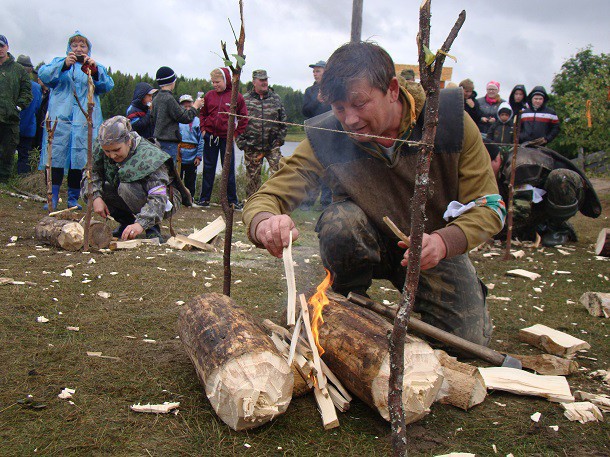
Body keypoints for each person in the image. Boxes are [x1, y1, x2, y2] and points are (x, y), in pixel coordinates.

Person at [243, 42, 506, 345]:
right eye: (339, 108)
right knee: (341, 221)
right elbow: (269, 196)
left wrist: (445, 243)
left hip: (432, 247)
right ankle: (345, 306)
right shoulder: (329, 135)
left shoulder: (447, 122)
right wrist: (264, 222)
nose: (350, 119)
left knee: (466, 341)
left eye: (360, 104)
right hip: (365, 241)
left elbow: (491, 206)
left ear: (392, 89)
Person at [82, 116, 191, 241]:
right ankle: (126, 223)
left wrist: (141, 223)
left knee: (126, 187)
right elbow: (91, 173)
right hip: (127, 189)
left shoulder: (150, 156)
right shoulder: (101, 148)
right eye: (107, 151)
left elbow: (158, 196)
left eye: (117, 150)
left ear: (128, 141)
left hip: (165, 199)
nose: (112, 155)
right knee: (105, 189)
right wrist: (96, 197)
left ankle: (151, 226)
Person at [37, 31, 114, 210]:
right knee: (55, 156)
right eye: (75, 46)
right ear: (69, 48)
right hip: (60, 119)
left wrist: (94, 71)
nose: (78, 49)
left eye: (82, 46)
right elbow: (45, 76)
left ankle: (73, 198)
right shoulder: (58, 62)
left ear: (88, 49)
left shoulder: (95, 66)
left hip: (84, 121)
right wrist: (64, 65)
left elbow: (107, 85)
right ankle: (52, 196)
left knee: (79, 160)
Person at [487, 142, 600, 247]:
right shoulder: (500, 167)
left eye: (486, 165)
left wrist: (493, 233)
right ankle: (544, 226)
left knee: (560, 178)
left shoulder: (518, 165)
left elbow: (520, 211)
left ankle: (558, 228)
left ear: (496, 159)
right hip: (541, 200)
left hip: (568, 190)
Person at [197, 67, 248, 209]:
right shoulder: (209, 96)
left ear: (225, 80)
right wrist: (203, 130)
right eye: (213, 82)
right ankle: (204, 199)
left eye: (217, 82)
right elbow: (203, 114)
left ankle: (232, 201)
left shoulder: (236, 97)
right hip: (210, 137)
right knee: (208, 168)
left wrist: (235, 134)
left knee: (228, 169)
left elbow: (244, 118)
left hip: (226, 139)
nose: (215, 85)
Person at [237, 69, 287, 198]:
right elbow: (236, 122)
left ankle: (276, 201)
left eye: (266, 79)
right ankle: (251, 205)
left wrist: (279, 140)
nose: (265, 82)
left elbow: (283, 120)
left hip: (272, 146)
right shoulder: (245, 99)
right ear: (254, 82)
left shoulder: (275, 98)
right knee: (252, 180)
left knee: (279, 174)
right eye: (261, 80)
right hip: (252, 146)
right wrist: (242, 143)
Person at [151, 66, 203, 162]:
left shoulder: (156, 98)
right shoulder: (169, 99)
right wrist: (195, 106)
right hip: (169, 144)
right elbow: (185, 117)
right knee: (170, 173)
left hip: (158, 141)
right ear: (172, 82)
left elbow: (152, 119)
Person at [0, 35, 33, 183]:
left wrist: (18, 107)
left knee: (8, 151)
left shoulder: (18, 69)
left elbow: (27, 92)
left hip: (10, 118)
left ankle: (4, 180)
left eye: (2, 46)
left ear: (7, 47)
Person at [301, 60, 332, 210]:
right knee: (312, 167)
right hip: (314, 134)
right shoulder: (310, 91)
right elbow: (305, 111)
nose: (315, 73)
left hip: (331, 135)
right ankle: (307, 202)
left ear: (326, 71)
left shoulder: (332, 89)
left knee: (328, 168)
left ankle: (326, 203)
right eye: (314, 71)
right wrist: (317, 101)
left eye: (318, 70)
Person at [16, 55, 42, 174]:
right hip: (28, 128)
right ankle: (22, 179)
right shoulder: (36, 88)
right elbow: (37, 108)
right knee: (24, 156)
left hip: (13, 127)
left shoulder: (14, 84)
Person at [177, 94, 203, 198]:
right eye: (184, 106)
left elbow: (201, 140)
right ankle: (177, 198)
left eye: (189, 106)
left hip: (192, 156)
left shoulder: (197, 121)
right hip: (179, 156)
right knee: (178, 179)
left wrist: (198, 156)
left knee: (191, 180)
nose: (187, 109)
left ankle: (190, 199)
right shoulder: (177, 120)